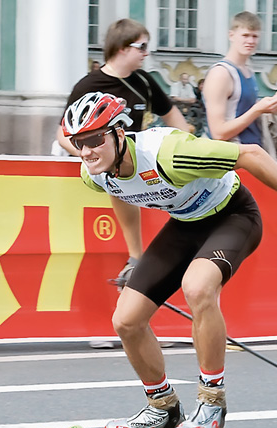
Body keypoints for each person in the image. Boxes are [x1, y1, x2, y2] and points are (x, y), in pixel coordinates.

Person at [61, 92, 277, 428]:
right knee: (126, 320)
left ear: (119, 132)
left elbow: (252, 154)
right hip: (185, 224)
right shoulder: (94, 170)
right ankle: (163, 409)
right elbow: (119, 191)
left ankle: (212, 404)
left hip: (232, 216)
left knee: (198, 286)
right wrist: (135, 255)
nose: (85, 151)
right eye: (77, 142)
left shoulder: (170, 154)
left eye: (94, 139)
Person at [56, 18, 192, 349]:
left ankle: (147, 321)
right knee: (103, 251)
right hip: (106, 184)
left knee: (153, 252)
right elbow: (63, 135)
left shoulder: (144, 81)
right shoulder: (90, 84)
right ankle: (99, 326)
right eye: (141, 47)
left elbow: (177, 120)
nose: (147, 54)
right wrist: (95, 159)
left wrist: (184, 147)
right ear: (121, 48)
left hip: (143, 180)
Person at [202, 11, 277, 146]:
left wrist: (274, 105)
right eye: (245, 35)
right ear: (231, 35)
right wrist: (258, 109)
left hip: (251, 153)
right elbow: (218, 133)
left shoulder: (248, 71)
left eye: (255, 36)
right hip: (230, 157)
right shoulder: (221, 73)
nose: (250, 41)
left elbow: (246, 115)